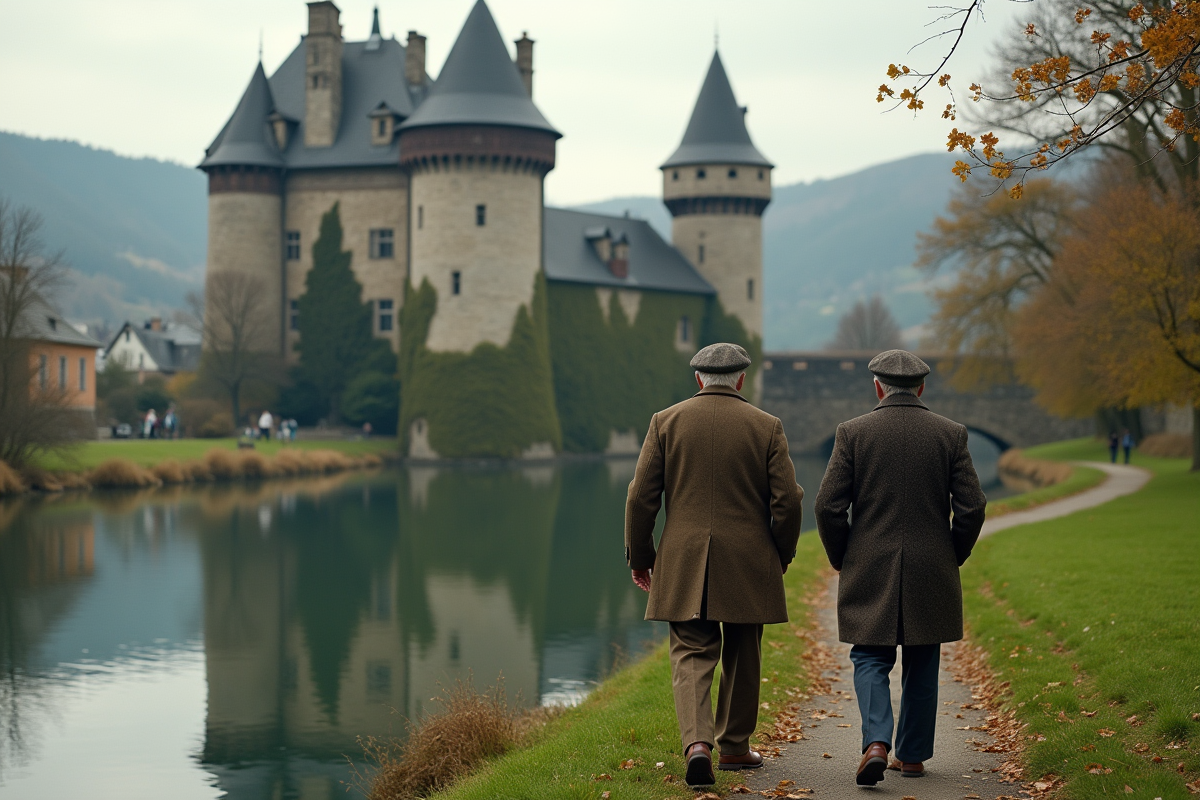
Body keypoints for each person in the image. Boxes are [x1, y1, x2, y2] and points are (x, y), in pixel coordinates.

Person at [625, 343, 805, 788]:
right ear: (741, 379)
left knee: (690, 651)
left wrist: (642, 557)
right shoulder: (766, 426)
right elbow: (788, 500)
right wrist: (781, 554)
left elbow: (640, 498)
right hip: (748, 559)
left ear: (697, 379)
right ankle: (736, 748)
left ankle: (697, 746)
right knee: (745, 650)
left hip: (683, 558)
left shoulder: (665, 422)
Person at [814, 349, 987, 786]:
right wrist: (953, 553)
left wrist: (843, 556)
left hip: (869, 563)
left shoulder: (852, 433)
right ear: (922, 387)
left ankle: (876, 742)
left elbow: (827, 506)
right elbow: (972, 508)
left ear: (877, 386)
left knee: (869, 656)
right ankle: (911, 758)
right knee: (923, 659)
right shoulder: (951, 434)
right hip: (932, 565)